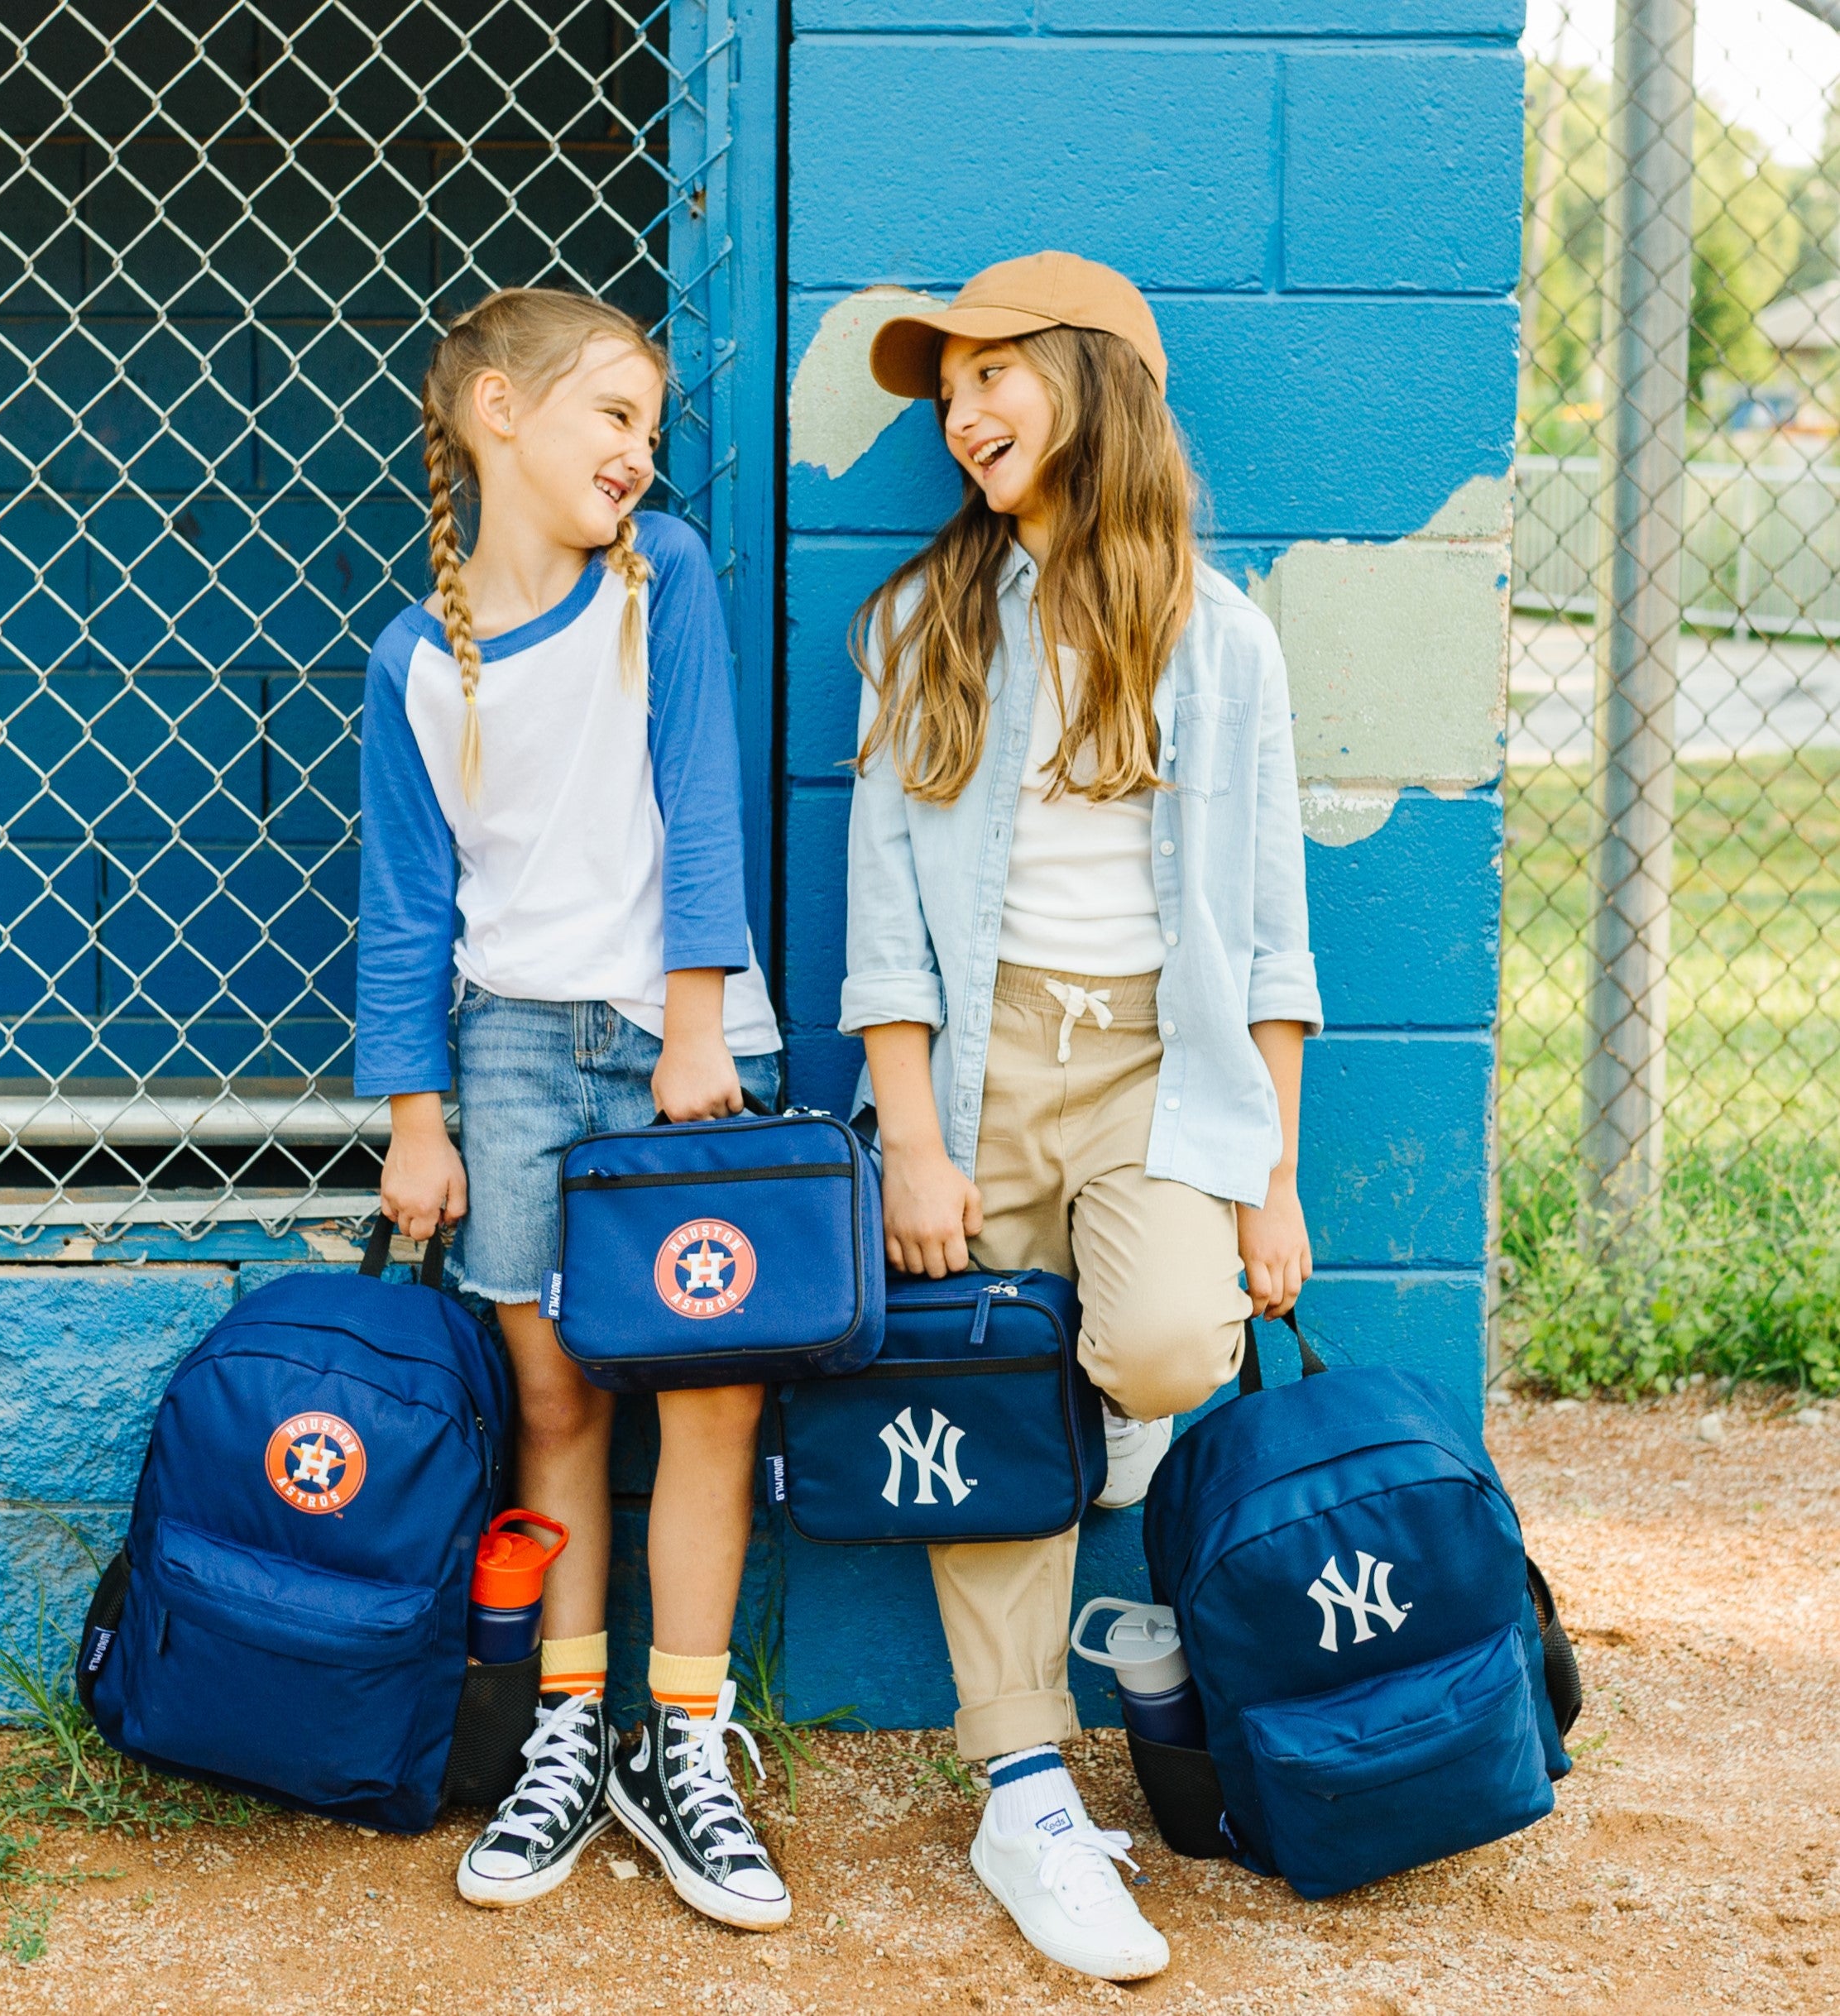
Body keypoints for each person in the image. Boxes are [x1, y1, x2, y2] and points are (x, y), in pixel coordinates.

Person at [841, 251, 1321, 1981]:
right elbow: (882, 916)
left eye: (992, 373)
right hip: (982, 1074)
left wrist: (1270, 1175)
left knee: (1166, 1349)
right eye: (945, 386)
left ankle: (1086, 1410)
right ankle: (1025, 1783)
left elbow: (1272, 929)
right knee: (983, 1409)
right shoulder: (923, 623)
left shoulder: (1225, 635)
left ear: (1095, 383)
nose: (961, 411)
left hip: (1152, 1073)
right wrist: (911, 1135)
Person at [357, 287, 789, 1931]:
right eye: (612, 417)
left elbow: (701, 797)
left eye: (651, 430)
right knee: (555, 1407)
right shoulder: (416, 662)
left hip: (680, 1047)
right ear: (497, 417)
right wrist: (416, 1112)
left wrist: (694, 1026)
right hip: (515, 1056)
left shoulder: (655, 578)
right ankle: (565, 1728)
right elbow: (408, 905)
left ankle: (682, 1743)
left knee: (712, 1390)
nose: (638, 451)